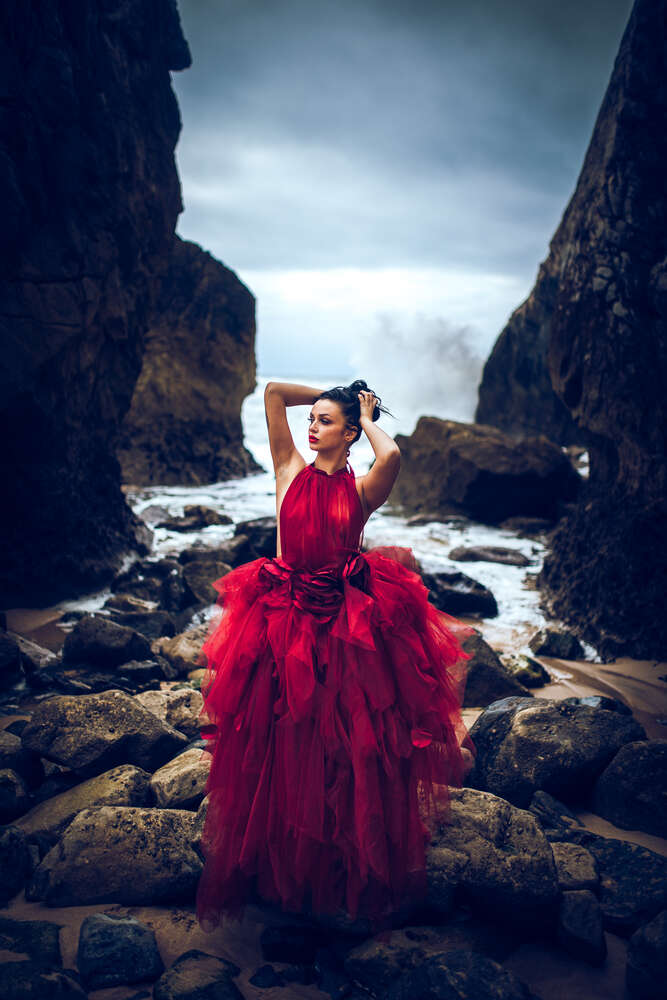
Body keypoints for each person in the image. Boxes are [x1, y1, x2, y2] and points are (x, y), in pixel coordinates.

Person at [195, 378, 476, 934]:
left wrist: (365, 415)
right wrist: (329, 392)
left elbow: (391, 452)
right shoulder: (288, 470)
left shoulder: (364, 487)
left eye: (325, 420)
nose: (312, 425)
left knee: (345, 750)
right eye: (314, 418)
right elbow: (274, 392)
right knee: (280, 742)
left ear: (349, 434)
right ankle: (278, 865)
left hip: (346, 628)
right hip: (282, 621)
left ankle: (339, 866)